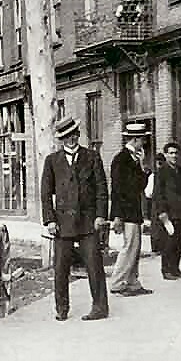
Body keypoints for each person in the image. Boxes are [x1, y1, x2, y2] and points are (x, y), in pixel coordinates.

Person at [41, 115, 109, 321]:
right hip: (62, 224)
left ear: (79, 135)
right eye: (67, 136)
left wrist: (100, 216)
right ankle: (62, 308)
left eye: (74, 134)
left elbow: (102, 189)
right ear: (61, 139)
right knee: (61, 268)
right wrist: (49, 220)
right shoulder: (52, 161)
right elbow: (45, 194)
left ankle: (100, 307)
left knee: (94, 265)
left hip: (88, 222)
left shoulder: (92, 157)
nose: (71, 139)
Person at [109, 122, 154, 297]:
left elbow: (140, 186)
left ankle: (133, 282)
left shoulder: (133, 159)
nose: (144, 143)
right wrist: (117, 216)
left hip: (133, 211)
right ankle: (117, 283)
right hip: (126, 212)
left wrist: (142, 166)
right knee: (130, 247)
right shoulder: (121, 159)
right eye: (142, 140)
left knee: (135, 247)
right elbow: (117, 189)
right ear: (135, 140)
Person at [152, 142, 181, 280]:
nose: (174, 155)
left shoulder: (180, 171)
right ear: (165, 155)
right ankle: (166, 270)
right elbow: (158, 193)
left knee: (177, 241)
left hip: (179, 212)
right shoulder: (161, 172)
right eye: (171, 153)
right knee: (168, 242)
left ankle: (175, 268)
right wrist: (162, 212)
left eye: (176, 153)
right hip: (168, 213)